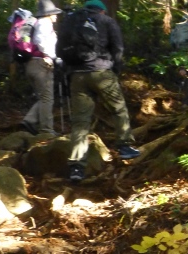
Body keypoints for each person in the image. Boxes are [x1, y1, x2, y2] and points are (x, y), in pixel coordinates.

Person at [60, 0, 140, 183]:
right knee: (118, 109)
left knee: (80, 122)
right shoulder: (107, 21)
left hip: (77, 76)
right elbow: (118, 48)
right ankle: (124, 146)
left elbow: (61, 50)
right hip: (101, 72)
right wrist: (115, 69)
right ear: (102, 11)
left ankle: (77, 167)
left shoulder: (73, 21)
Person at [20, 0, 62, 136]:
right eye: (54, 13)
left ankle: (30, 120)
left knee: (43, 97)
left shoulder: (37, 22)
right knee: (47, 99)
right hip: (41, 64)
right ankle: (46, 130)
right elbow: (40, 41)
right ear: (48, 14)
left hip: (32, 64)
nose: (56, 16)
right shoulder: (45, 23)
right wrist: (52, 56)